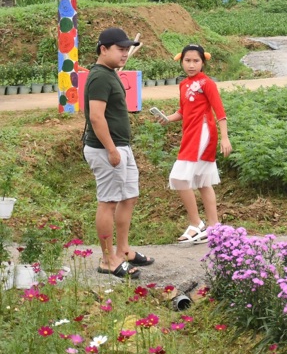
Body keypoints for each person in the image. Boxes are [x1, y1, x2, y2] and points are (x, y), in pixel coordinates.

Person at [83, 28, 154, 279]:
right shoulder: (100, 77)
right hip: (107, 149)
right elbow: (96, 116)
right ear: (104, 49)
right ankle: (107, 259)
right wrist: (112, 149)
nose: (125, 54)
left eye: (127, 49)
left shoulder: (108, 73)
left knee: (129, 196)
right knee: (109, 202)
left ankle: (123, 250)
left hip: (121, 146)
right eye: (120, 49)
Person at [157, 44, 232, 244]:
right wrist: (167, 118)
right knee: (202, 182)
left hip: (203, 133)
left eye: (195, 61)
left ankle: (196, 224)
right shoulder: (183, 85)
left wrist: (225, 138)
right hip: (189, 134)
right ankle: (214, 227)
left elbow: (220, 112)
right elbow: (182, 112)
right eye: (187, 61)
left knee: (179, 178)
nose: (191, 65)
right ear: (181, 61)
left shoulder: (207, 83)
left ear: (203, 62)